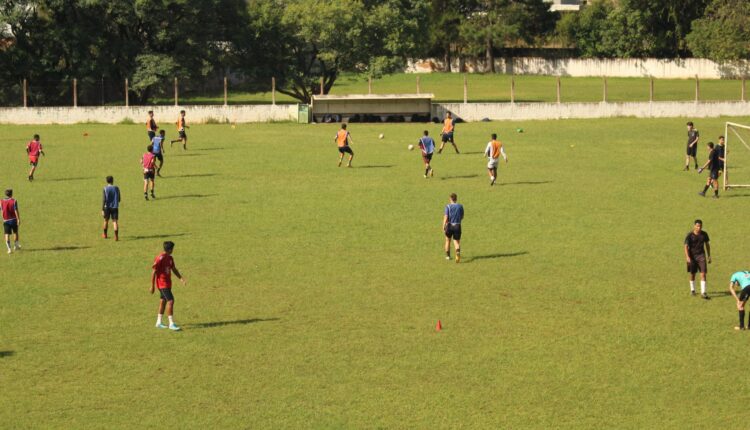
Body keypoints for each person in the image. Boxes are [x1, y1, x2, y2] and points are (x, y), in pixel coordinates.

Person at [150, 241, 186, 331]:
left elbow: (173, 269)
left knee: (163, 301)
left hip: (168, 283)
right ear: (170, 249)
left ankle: (158, 322)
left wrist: (181, 278)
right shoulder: (160, 258)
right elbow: (153, 271)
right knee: (171, 301)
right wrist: (152, 286)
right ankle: (171, 323)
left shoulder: (170, 258)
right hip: (162, 284)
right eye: (172, 249)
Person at [684, 219, 711, 299]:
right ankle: (692, 290)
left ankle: (703, 292)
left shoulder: (704, 234)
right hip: (692, 257)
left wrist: (709, 255)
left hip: (701, 256)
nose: (699, 228)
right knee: (693, 274)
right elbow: (685, 246)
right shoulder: (689, 235)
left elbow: (707, 244)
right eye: (697, 226)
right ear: (694, 226)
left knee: (703, 273)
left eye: (700, 226)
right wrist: (687, 257)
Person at [442, 193, 464, 263]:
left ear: (450, 199)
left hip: (449, 225)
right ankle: (457, 253)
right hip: (457, 226)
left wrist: (443, 225)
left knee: (448, 240)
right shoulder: (460, 206)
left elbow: (446, 217)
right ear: (456, 199)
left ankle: (448, 256)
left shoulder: (448, 206)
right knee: (456, 242)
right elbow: (462, 216)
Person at [1, 189, 20, 254]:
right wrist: (18, 219)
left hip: (6, 220)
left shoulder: (1, 201)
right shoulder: (14, 201)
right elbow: (16, 210)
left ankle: (9, 249)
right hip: (14, 220)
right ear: (11, 194)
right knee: (15, 232)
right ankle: (16, 246)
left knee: (7, 234)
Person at [102, 176, 120, 241]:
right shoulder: (117, 188)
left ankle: (105, 234)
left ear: (107, 181)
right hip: (115, 207)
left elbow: (104, 199)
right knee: (115, 221)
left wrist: (102, 209)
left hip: (107, 207)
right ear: (113, 180)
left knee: (106, 220)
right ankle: (116, 236)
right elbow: (119, 199)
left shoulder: (105, 188)